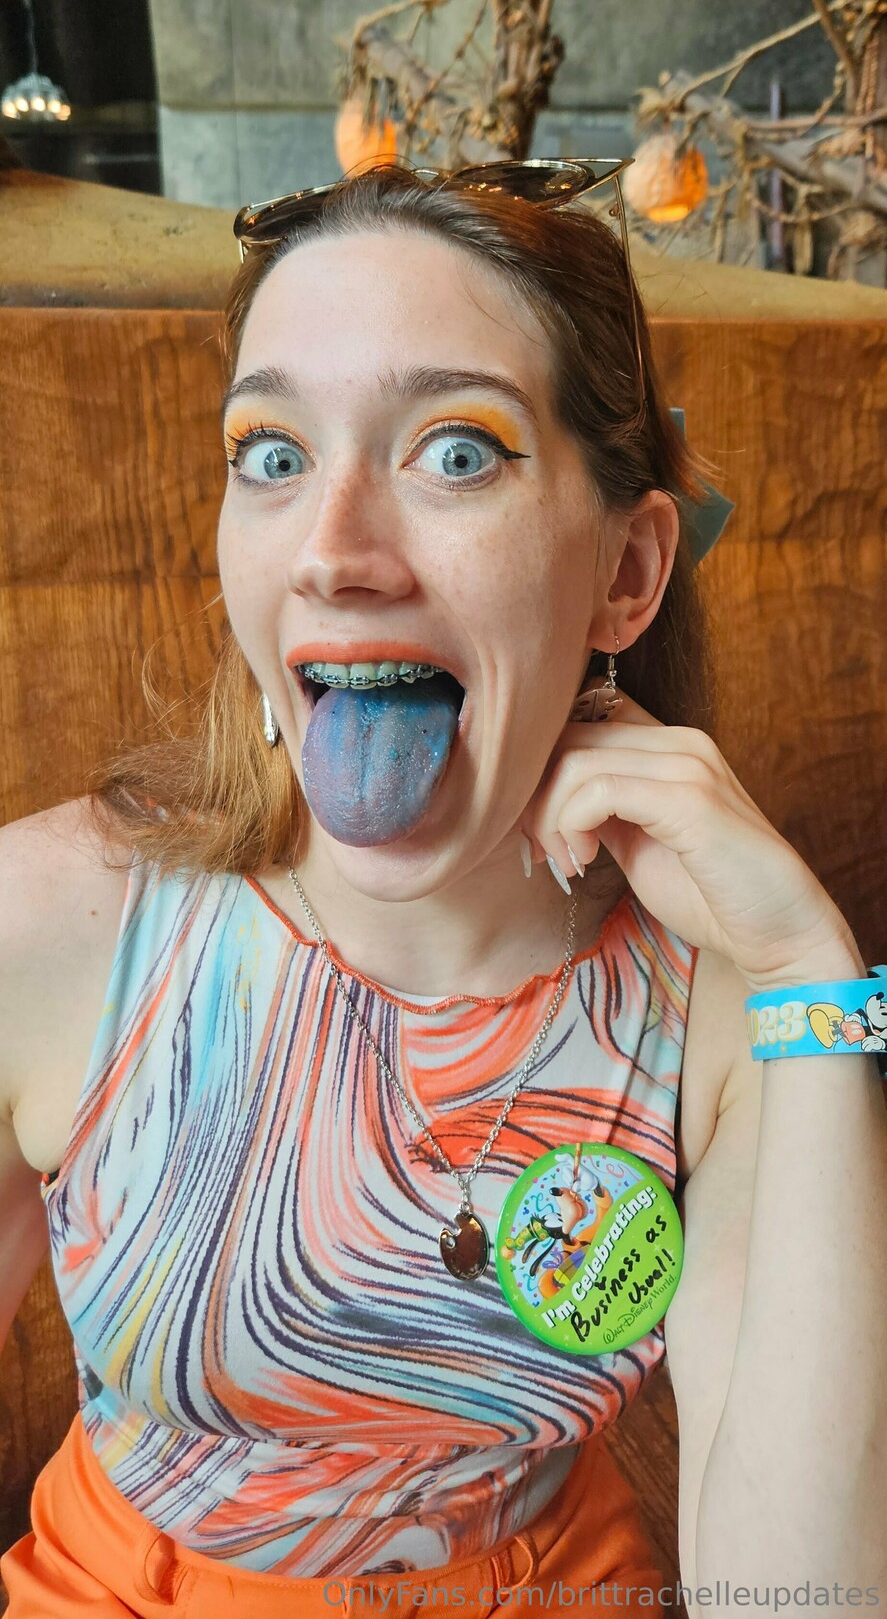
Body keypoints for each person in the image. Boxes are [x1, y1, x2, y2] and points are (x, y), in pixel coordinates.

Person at [0, 161, 883, 1618]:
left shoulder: (732, 1013)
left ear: (626, 573)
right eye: (271, 454)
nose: (333, 553)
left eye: (457, 451)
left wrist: (814, 982)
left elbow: (801, 1599)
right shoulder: (50, 931)